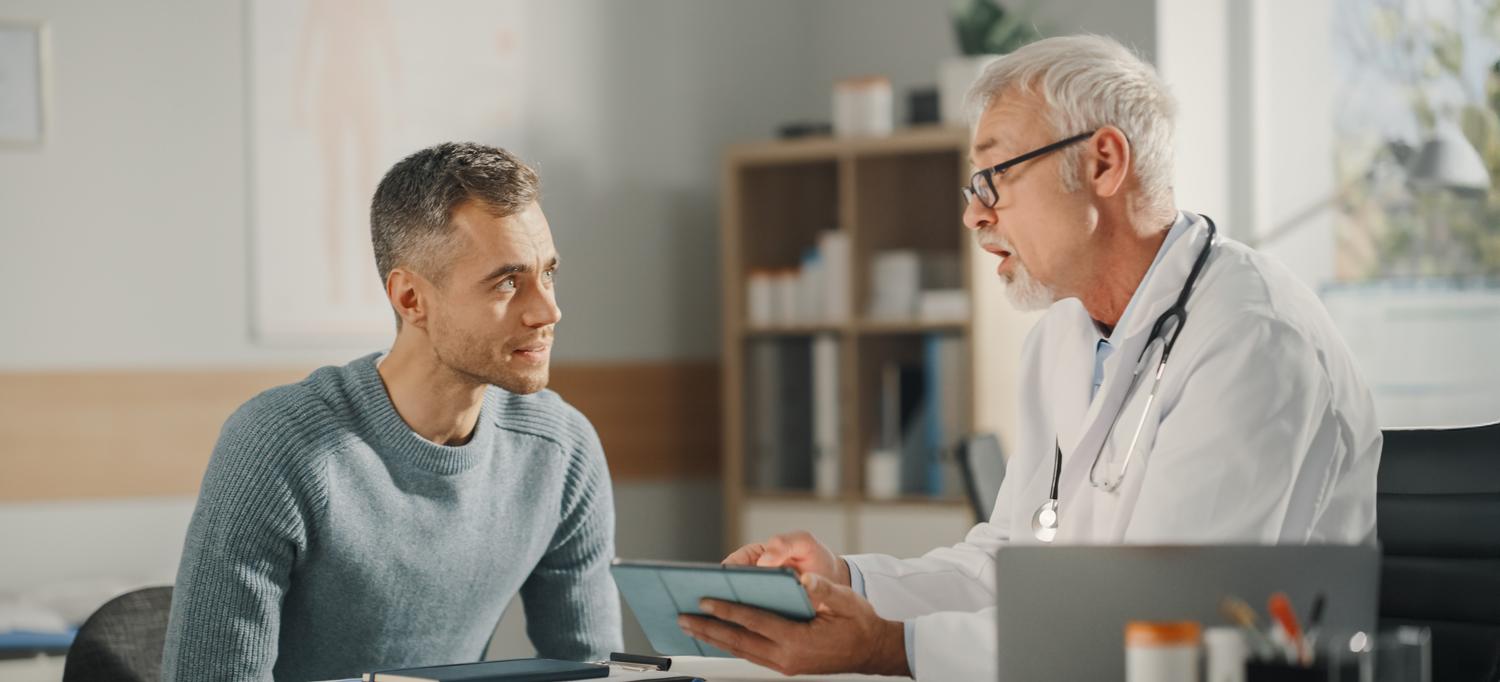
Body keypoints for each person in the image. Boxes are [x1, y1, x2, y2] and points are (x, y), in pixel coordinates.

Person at [679, 35, 1381, 680]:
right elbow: (1007, 567)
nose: (974, 214)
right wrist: (848, 584)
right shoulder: (1064, 337)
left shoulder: (1253, 340)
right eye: (973, 186)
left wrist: (889, 644)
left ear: (1104, 162)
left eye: (997, 175)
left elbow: (1167, 626)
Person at [162, 142, 622, 681]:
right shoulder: (277, 447)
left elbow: (594, 672)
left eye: (549, 274)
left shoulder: (562, 450)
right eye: (507, 282)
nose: (548, 309)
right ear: (410, 299)